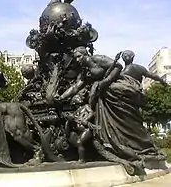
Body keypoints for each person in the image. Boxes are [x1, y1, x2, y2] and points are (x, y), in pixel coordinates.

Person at [70, 47, 166, 175]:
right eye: (75, 57)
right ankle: (131, 145)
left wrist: (106, 81)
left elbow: (117, 66)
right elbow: (76, 86)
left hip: (115, 93)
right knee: (119, 124)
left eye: (78, 56)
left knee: (128, 121)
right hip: (106, 97)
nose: (77, 60)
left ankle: (140, 146)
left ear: (84, 54)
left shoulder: (99, 59)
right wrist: (62, 97)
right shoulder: (84, 71)